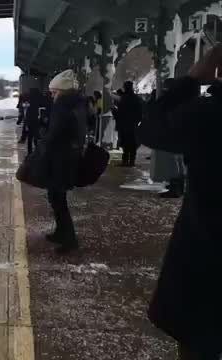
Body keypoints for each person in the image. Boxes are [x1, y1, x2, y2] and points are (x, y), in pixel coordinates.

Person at [140, 44, 222, 359]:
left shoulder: (209, 114)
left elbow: (150, 128)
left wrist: (190, 81)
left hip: (210, 254)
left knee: (199, 341)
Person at [40, 69, 87, 254]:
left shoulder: (62, 105)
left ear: (62, 91)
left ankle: (69, 239)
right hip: (70, 156)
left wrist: (43, 138)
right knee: (58, 197)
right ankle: (61, 232)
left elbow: (55, 132)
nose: (52, 96)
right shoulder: (78, 103)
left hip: (60, 158)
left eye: (54, 92)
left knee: (57, 198)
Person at [115, 81, 143, 166]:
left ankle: (125, 160)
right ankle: (131, 161)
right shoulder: (136, 98)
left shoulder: (124, 98)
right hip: (132, 125)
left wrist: (115, 113)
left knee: (126, 143)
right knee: (132, 143)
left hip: (125, 124)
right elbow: (139, 111)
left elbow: (120, 112)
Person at [25, 88, 43, 154]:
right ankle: (37, 150)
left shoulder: (30, 100)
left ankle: (30, 151)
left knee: (30, 137)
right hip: (36, 120)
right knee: (36, 136)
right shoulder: (39, 99)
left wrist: (26, 123)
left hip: (30, 120)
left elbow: (27, 113)